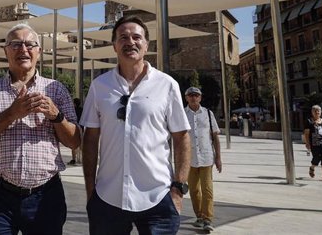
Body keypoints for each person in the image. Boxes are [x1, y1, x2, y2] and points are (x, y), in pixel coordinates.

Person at [0, 23, 80, 235]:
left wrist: (56, 116)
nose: (23, 49)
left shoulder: (56, 89)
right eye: (15, 44)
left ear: (39, 51)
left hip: (45, 196)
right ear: (5, 51)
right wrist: (11, 113)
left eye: (29, 44)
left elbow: (74, 141)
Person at [81, 14, 191, 234]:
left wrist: (178, 189)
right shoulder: (99, 86)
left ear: (146, 45)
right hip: (107, 196)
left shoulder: (166, 85)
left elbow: (182, 137)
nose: (130, 42)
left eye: (136, 37)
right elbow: (90, 139)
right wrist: (90, 189)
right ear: (114, 46)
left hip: (158, 197)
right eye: (123, 37)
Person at [184, 86, 222, 232]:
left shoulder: (208, 113)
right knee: (193, 190)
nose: (194, 97)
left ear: (200, 97)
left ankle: (207, 218)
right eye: (191, 95)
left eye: (196, 95)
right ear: (186, 97)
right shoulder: (182, 113)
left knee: (207, 189)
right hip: (189, 159)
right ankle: (199, 216)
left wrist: (218, 157)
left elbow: (215, 136)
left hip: (206, 157)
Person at [304, 104, 322, 182]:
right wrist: (307, 143)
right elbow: (306, 133)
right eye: (315, 111)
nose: (317, 112)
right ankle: (312, 167)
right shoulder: (309, 121)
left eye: (318, 111)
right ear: (312, 112)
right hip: (314, 144)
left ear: (320, 112)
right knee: (316, 159)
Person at [69, 97, 83, 166]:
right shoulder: (82, 110)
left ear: (74, 104)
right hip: (81, 128)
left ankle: (74, 159)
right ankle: (81, 159)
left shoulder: (72, 110)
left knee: (74, 144)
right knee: (81, 144)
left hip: (74, 128)